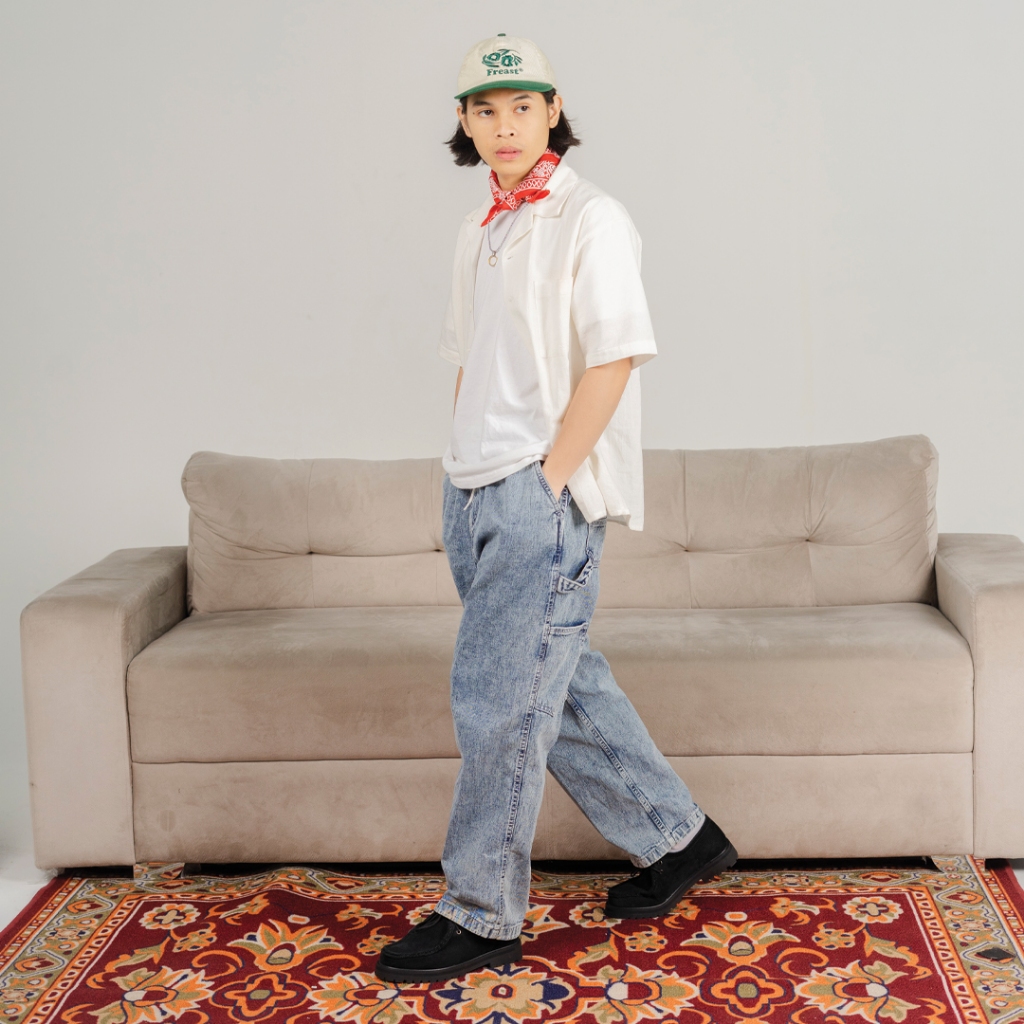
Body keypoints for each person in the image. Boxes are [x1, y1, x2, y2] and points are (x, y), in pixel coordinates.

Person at [375, 33, 736, 985]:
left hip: (542, 491)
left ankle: (481, 910)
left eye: (523, 108)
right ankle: (679, 836)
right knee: (555, 679)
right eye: (486, 110)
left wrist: (546, 482)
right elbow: (469, 360)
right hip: (473, 488)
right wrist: (461, 473)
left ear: (553, 111)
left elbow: (615, 358)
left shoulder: (593, 217)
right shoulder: (478, 226)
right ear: (465, 122)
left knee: (499, 703)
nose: (505, 126)